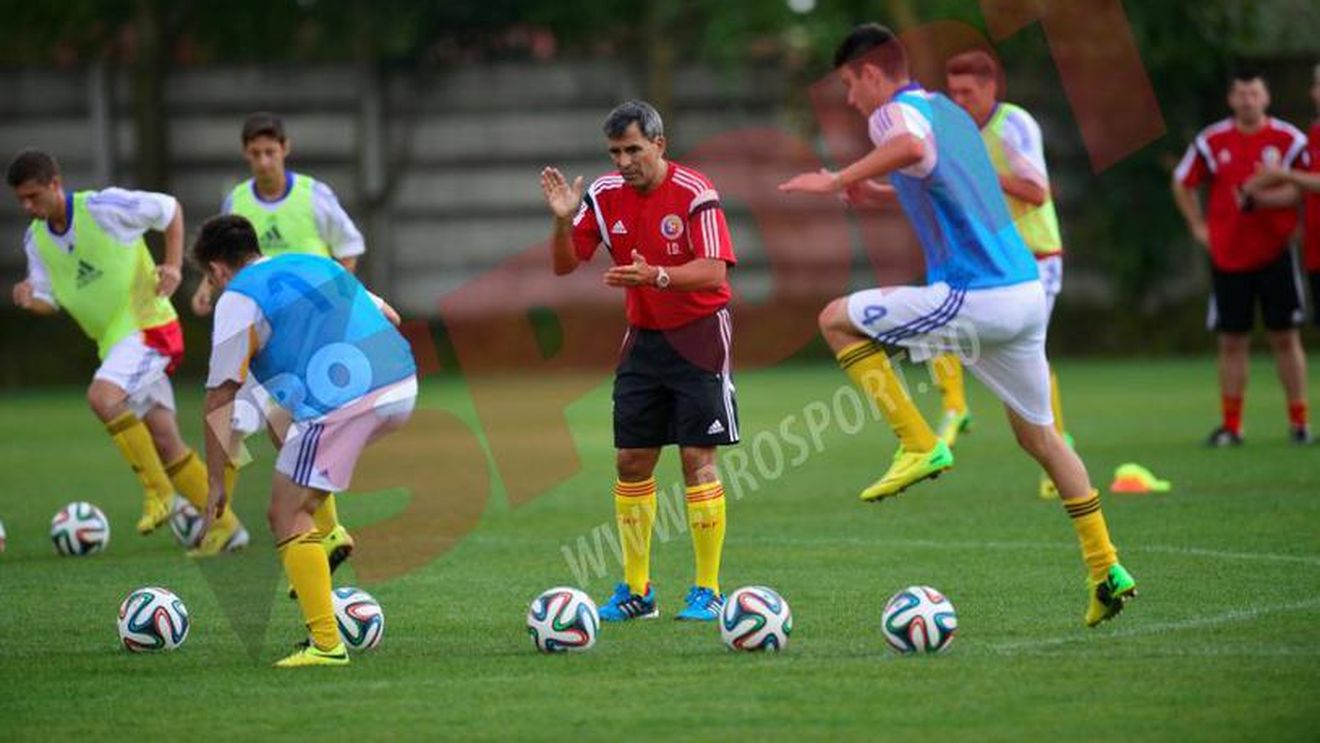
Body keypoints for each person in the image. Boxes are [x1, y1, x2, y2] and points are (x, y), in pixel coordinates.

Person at [779, 24, 1136, 627]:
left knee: (834, 319)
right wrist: (879, 194)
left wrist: (838, 179)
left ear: (871, 73)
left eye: (848, 84)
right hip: (1023, 293)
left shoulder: (891, 115)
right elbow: (949, 182)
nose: (849, 99)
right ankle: (1107, 570)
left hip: (978, 295)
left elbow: (913, 152)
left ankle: (919, 443)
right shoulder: (948, 111)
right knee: (1040, 439)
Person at [539, 100, 738, 622]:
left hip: (699, 336)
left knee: (697, 460)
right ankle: (637, 590)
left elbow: (716, 271)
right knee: (631, 461)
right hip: (645, 340)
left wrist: (658, 277)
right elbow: (564, 266)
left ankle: (708, 590)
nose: (624, 161)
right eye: (615, 152)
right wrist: (562, 223)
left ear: (659, 145)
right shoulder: (604, 196)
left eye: (633, 149)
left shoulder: (696, 191)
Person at [192, 214, 415, 667]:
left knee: (284, 511)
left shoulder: (237, 297)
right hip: (402, 382)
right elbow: (389, 315)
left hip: (345, 402)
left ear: (216, 270)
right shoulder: (315, 264)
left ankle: (327, 646)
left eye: (209, 278)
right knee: (280, 416)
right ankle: (329, 534)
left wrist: (215, 480)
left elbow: (220, 395)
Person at [6, 148, 249, 550]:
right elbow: (51, 298)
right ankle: (227, 528)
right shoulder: (36, 242)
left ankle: (159, 493)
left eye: (34, 196)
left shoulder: (103, 207)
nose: (28, 206)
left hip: (149, 328)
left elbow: (169, 210)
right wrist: (31, 300)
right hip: (116, 346)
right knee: (166, 440)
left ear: (55, 184)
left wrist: (172, 266)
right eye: (21, 200)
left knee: (102, 397)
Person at [189, 112, 365, 562]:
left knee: (245, 418)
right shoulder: (237, 199)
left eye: (271, 151)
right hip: (256, 326)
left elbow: (348, 248)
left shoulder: (313, 195)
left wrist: (333, 305)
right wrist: (208, 287)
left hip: (299, 332)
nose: (264, 161)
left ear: (285, 149)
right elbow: (222, 252)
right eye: (255, 153)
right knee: (267, 427)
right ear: (246, 155)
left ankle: (229, 525)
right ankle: (232, 526)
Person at [941, 49, 1073, 498]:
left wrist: (981, 174)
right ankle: (955, 409)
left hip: (1036, 258)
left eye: (968, 92)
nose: (959, 101)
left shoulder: (1014, 126)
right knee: (935, 314)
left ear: (991, 88)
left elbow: (1037, 192)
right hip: (993, 262)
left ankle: (1058, 444)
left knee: (1029, 361)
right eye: (952, 92)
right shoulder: (956, 131)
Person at [1172, 70, 1311, 446]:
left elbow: (1304, 189)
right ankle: (1232, 426)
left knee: (1285, 337)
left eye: (1254, 93)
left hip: (1277, 253)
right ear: (1231, 100)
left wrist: (1261, 197)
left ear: (1266, 97)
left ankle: (1299, 423)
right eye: (1241, 94)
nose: (1248, 100)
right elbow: (1182, 181)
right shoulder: (1212, 140)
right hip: (1229, 256)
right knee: (1232, 341)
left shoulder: (1289, 140)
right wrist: (1199, 228)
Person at [1243, 62, 1320, 335]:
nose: (1314, 92)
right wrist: (1258, 199)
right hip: (1315, 249)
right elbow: (1304, 189)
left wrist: (1283, 174)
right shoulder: (1315, 131)